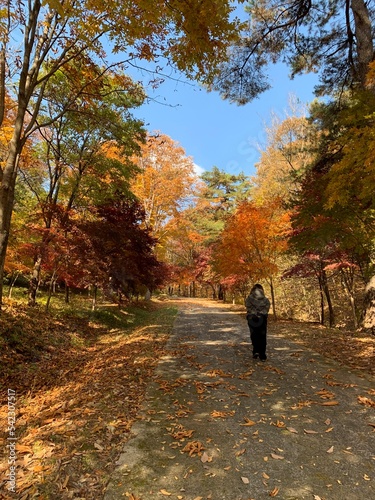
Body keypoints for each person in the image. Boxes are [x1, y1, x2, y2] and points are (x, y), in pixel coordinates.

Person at [245, 284, 271, 361]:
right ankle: (262, 355)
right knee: (262, 336)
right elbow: (267, 308)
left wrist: (254, 313)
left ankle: (255, 351)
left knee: (254, 334)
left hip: (252, 318)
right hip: (262, 318)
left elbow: (248, 306)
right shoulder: (265, 299)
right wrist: (261, 314)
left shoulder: (249, 298)